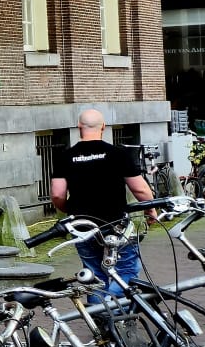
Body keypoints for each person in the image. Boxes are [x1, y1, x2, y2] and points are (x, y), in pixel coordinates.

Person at [51, 107, 158, 287]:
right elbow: (140, 190)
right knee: (126, 271)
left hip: (82, 227)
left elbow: (57, 194)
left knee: (94, 276)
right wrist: (150, 210)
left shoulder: (65, 156)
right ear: (103, 127)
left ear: (79, 127)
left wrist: (70, 210)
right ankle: (116, 313)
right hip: (115, 225)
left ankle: (99, 313)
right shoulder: (118, 154)